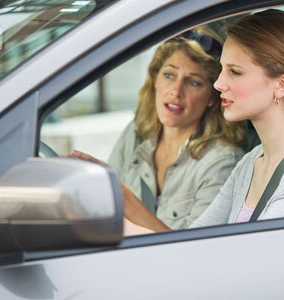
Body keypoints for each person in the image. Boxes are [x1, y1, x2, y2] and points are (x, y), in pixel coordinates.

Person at [123, 9, 284, 234]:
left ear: (282, 85)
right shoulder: (252, 161)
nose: (218, 84)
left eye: (234, 72)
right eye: (222, 70)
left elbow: (256, 259)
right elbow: (194, 241)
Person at [71, 27, 246, 230]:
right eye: (169, 75)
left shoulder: (221, 161)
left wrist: (129, 203)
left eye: (193, 82)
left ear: (211, 98)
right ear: (155, 80)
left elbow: (195, 253)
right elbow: (106, 208)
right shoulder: (137, 132)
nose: (176, 91)